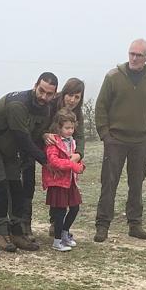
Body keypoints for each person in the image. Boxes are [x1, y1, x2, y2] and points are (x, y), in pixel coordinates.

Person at [94, 39, 146, 242]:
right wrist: (105, 135)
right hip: (115, 139)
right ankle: (102, 225)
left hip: (141, 141)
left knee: (137, 184)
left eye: (138, 55)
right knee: (109, 183)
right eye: (131, 53)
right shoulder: (113, 76)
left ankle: (135, 224)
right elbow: (101, 107)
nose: (134, 58)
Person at [0, 73, 58, 252]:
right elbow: (23, 139)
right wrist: (45, 161)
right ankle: (0, 234)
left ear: (54, 95)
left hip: (11, 151)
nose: (44, 97)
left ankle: (16, 233)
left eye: (49, 94)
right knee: (0, 187)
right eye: (41, 91)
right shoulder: (18, 105)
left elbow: (36, 137)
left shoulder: (46, 109)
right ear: (35, 86)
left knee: (17, 189)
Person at [46, 78, 86, 238]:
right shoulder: (51, 103)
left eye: (77, 97)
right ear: (64, 93)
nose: (72, 100)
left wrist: (79, 154)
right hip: (49, 153)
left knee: (66, 193)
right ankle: (55, 224)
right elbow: (42, 125)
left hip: (68, 155)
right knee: (56, 191)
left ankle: (58, 226)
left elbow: (81, 135)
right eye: (70, 95)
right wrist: (44, 135)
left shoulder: (78, 112)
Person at [42, 109, 86, 252]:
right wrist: (73, 165)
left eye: (72, 128)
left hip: (70, 181)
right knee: (60, 212)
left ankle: (65, 232)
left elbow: (76, 158)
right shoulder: (53, 142)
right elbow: (54, 162)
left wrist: (81, 165)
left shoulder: (72, 142)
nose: (70, 131)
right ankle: (57, 241)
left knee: (75, 207)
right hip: (58, 182)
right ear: (59, 127)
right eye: (67, 128)